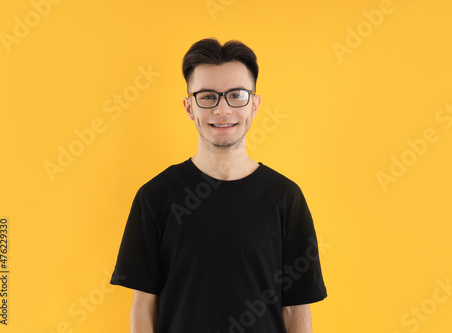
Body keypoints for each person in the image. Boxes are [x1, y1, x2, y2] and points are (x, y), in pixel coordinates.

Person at [110, 38, 327, 333]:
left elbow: (296, 307)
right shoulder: (156, 197)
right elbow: (144, 304)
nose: (223, 110)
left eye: (236, 95)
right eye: (208, 96)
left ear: (255, 104)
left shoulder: (286, 198)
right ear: (189, 107)